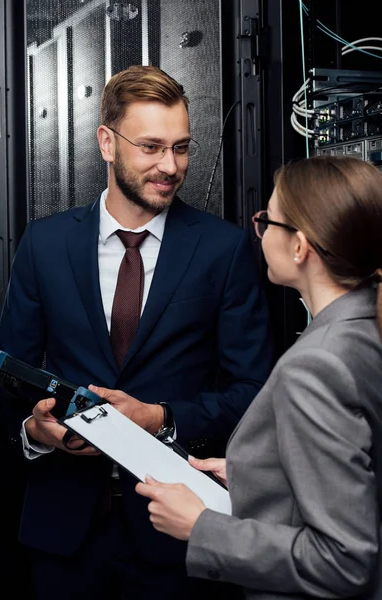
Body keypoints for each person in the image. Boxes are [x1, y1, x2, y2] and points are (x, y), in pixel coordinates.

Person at [0, 65, 273, 600]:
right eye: (151, 147)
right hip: (63, 534)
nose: (171, 166)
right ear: (107, 143)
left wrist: (160, 417)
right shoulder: (43, 245)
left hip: (181, 541)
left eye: (182, 148)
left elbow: (255, 394)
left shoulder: (223, 250)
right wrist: (34, 431)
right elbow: (5, 380)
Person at [136, 154, 382, 600]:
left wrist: (202, 528)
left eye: (268, 220)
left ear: (299, 247)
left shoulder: (316, 365)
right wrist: (257, 473)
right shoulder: (365, 329)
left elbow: (344, 560)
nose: (261, 231)